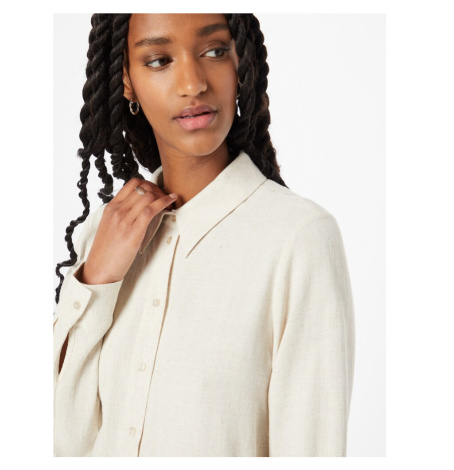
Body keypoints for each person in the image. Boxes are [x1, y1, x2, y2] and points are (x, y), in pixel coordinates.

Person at [53, 13, 355, 457]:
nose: (193, 84)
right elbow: (62, 443)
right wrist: (96, 281)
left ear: (240, 63)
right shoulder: (102, 236)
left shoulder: (299, 239)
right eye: (159, 60)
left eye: (215, 51)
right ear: (127, 81)